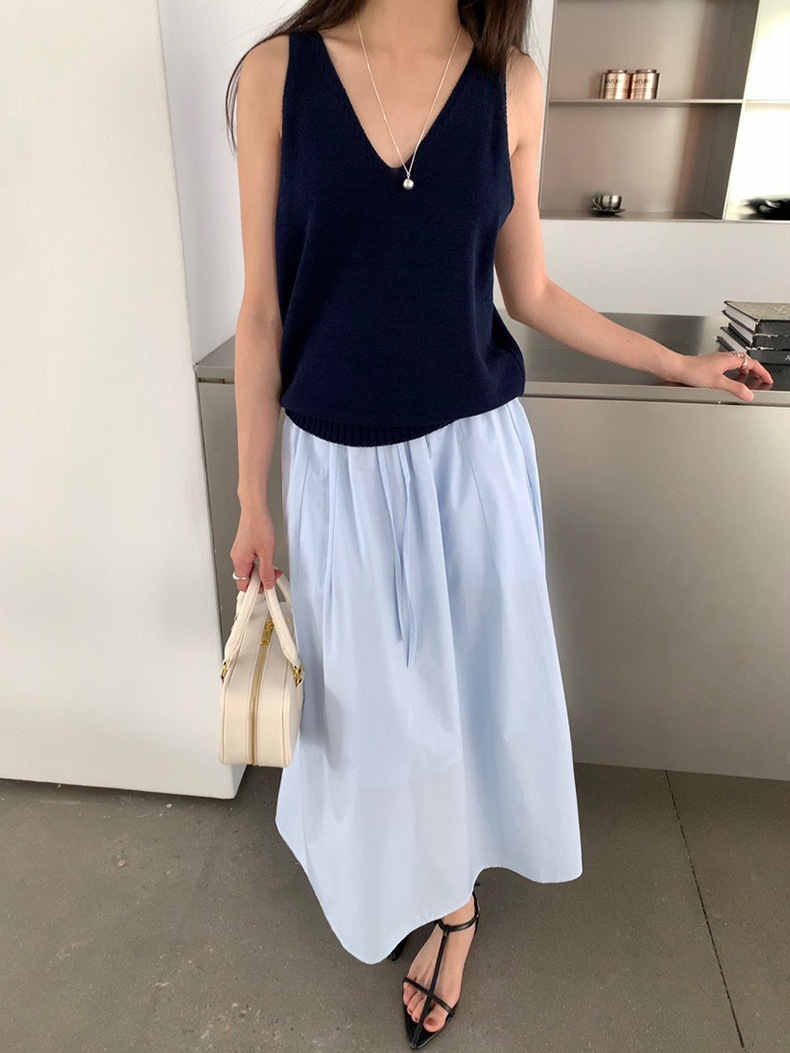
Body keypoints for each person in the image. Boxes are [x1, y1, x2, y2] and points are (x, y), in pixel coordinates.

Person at [224, 1, 773, 1047]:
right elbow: (261, 313)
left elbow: (531, 292)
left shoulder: (509, 84)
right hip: (339, 471)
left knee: (469, 697)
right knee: (374, 714)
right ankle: (413, 878)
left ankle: (455, 907)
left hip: (470, 464)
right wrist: (255, 496)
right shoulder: (275, 75)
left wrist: (676, 362)